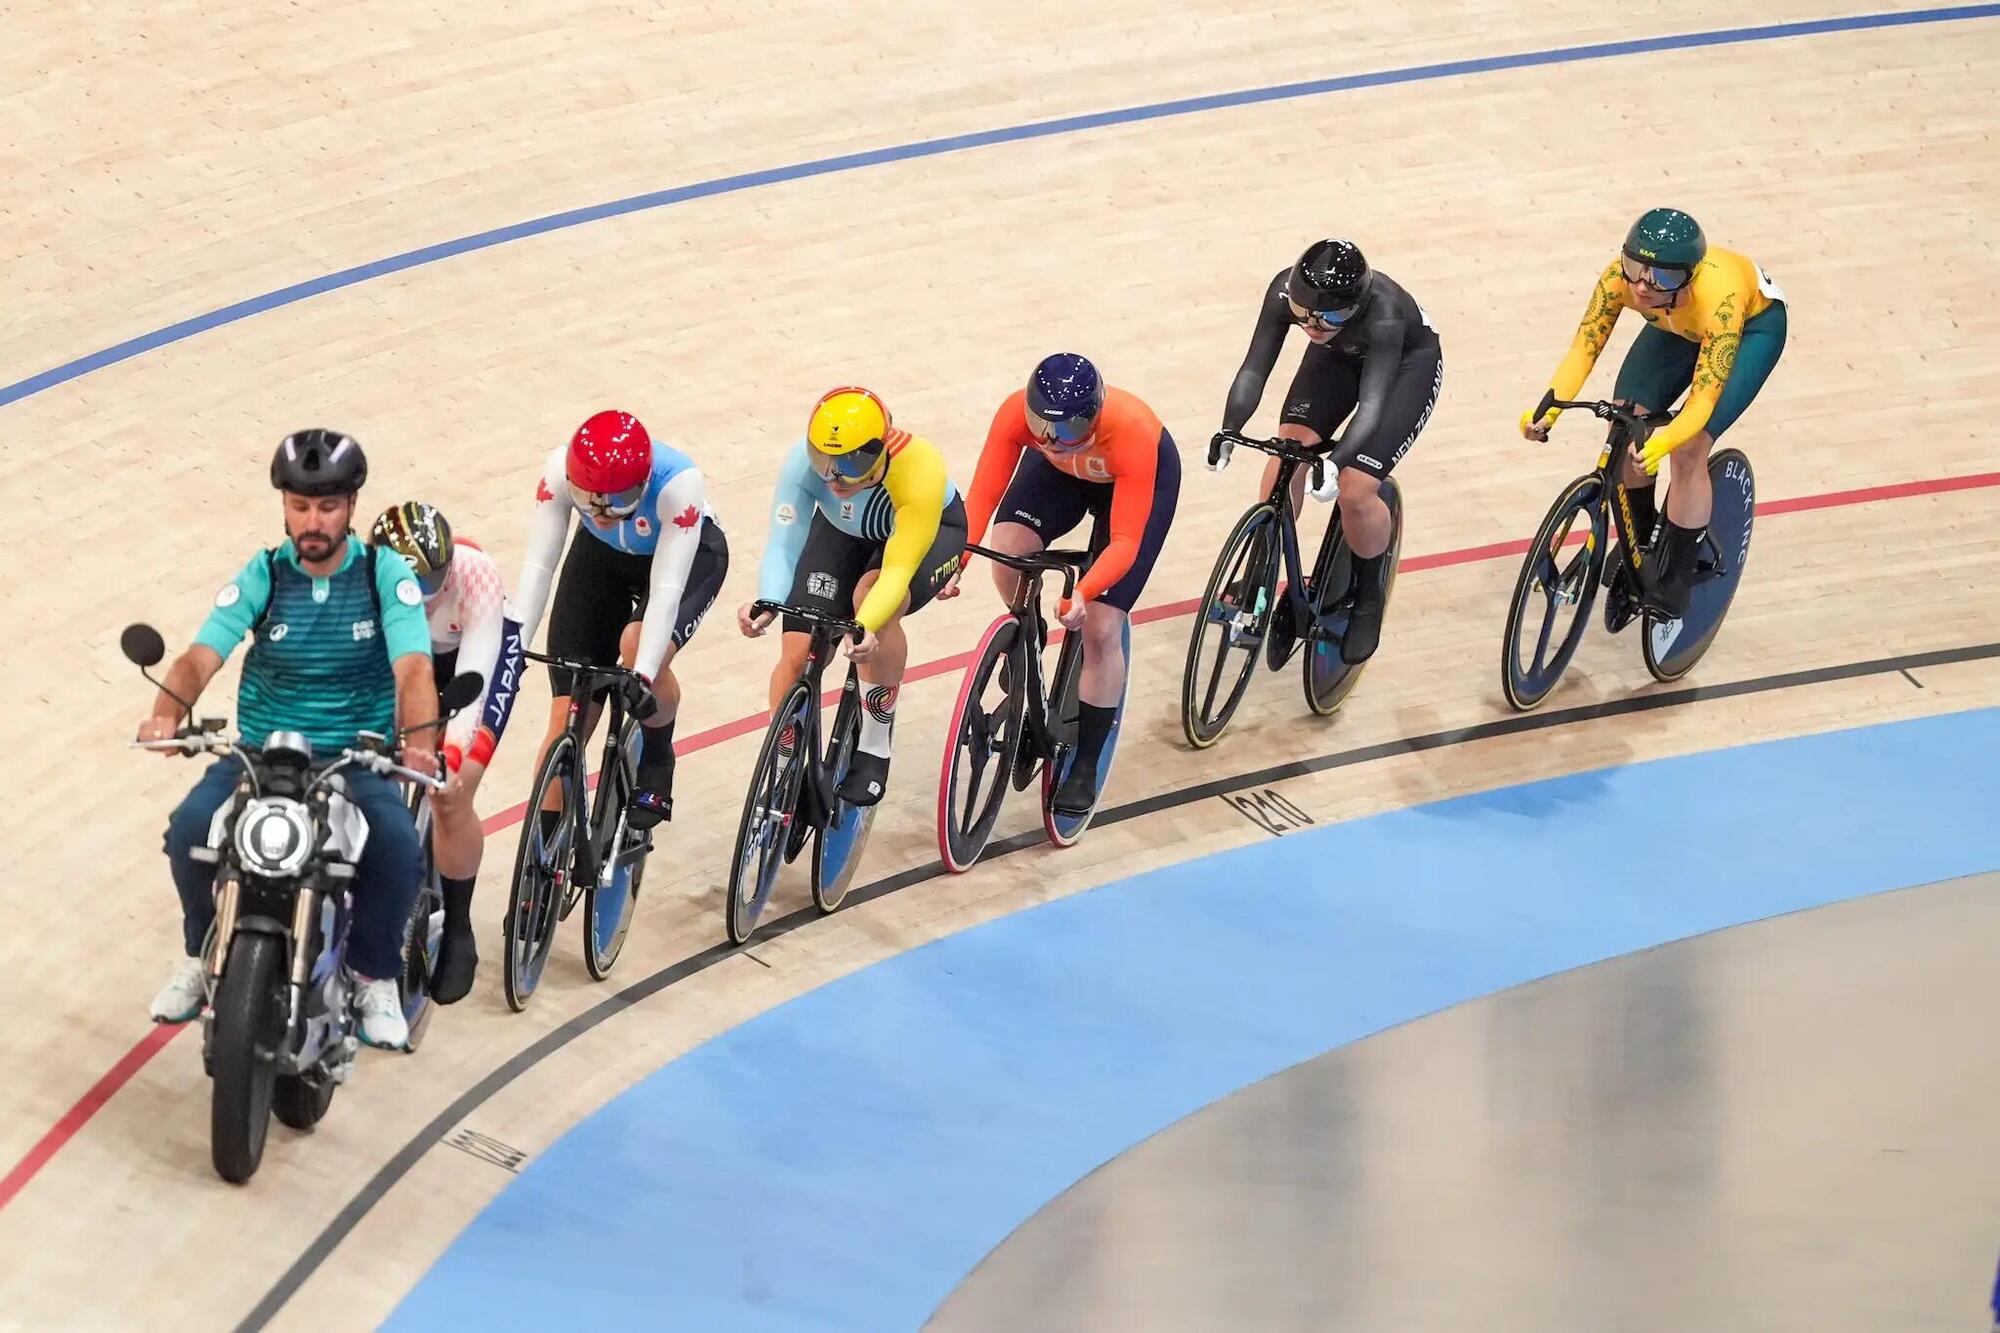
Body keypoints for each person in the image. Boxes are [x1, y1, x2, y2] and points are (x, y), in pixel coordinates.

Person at [140, 430, 435, 1051]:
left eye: (326, 506)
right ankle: (201, 954)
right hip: (263, 750)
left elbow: (413, 669)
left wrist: (418, 745)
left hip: (353, 754)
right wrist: (166, 714)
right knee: (189, 829)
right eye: (299, 506)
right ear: (284, 506)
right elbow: (201, 656)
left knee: (397, 845)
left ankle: (374, 974)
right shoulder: (264, 573)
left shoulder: (385, 575)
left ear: (352, 506)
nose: (312, 520)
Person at [1520, 206, 1788, 618]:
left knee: (1688, 449)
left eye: (1661, 277)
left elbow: (1702, 400)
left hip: (1751, 330)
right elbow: (1583, 349)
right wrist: (1548, 409)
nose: (1643, 286)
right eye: (1635, 266)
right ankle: (1641, 546)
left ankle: (1677, 578)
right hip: (1675, 325)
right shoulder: (1619, 280)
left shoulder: (1720, 299)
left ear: (1690, 276)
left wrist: (1666, 439)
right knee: (1626, 425)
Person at [960, 353, 1180, 815]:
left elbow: (1123, 541)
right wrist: (956, 559)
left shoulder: (1133, 431)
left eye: (1069, 430)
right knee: (1007, 547)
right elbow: (982, 494)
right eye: (1042, 427)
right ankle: (1030, 635)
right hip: (1066, 481)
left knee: (1100, 627)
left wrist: (1084, 589)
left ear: (1096, 414)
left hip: (1133, 482)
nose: (1054, 440)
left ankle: (1085, 763)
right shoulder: (1020, 418)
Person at [1212, 237, 1444, 662]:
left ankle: (1368, 598)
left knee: (1356, 489)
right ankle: (1259, 568)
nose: (1313, 326)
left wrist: (1336, 464)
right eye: (1304, 315)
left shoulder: (1385, 315)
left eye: (1330, 315)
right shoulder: (1287, 293)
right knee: (1287, 450)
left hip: (1405, 367)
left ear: (1355, 305)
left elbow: (1371, 405)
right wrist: (1230, 428)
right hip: (1339, 356)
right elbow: (1254, 366)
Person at [738, 387, 965, 806]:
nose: (835, 478)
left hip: (922, 535)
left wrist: (866, 626)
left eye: (850, 465)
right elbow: (784, 545)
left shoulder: (920, 468)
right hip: (844, 531)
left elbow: (897, 570)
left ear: (880, 453)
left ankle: (876, 743)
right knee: (799, 650)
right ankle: (784, 760)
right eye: (824, 462)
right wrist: (767, 600)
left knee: (870, 599)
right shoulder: (803, 465)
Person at [514, 410, 728, 831]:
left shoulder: (678, 484)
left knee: (637, 643)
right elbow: (538, 568)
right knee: (567, 720)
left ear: (644, 485)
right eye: (588, 500)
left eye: (618, 502)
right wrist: (512, 645)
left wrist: (644, 674)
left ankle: (657, 754)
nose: (602, 513)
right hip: (601, 561)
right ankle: (542, 862)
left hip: (685, 556)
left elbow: (666, 592)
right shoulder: (560, 471)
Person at [368, 502, 524, 1003]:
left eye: (431, 581)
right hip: (409, 661)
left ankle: (458, 929)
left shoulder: (473, 574)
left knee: (450, 794)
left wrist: (450, 760)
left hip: (475, 662)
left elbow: (474, 685)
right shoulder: (359, 582)